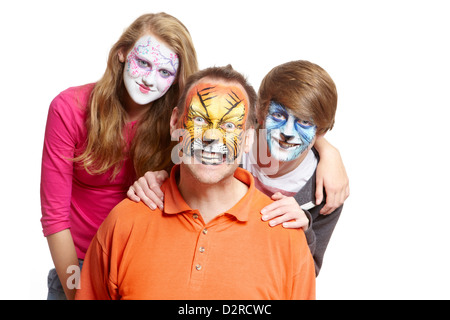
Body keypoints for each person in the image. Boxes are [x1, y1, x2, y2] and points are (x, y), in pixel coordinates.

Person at [76, 65, 316, 300]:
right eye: (199, 120)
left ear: (248, 139)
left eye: (229, 126)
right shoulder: (123, 223)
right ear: (174, 124)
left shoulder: (286, 237)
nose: (211, 136)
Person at [128, 60, 347, 275]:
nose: (288, 131)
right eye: (278, 115)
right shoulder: (229, 141)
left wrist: (303, 232)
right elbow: (189, 161)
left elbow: (307, 273)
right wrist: (157, 179)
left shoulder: (328, 189)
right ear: (260, 113)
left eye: (305, 123)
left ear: (321, 131)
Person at [40, 12, 198, 300]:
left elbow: (235, 143)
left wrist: (311, 143)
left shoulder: (179, 124)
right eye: (144, 63)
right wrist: (80, 293)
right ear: (123, 53)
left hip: (147, 269)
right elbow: (55, 219)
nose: (150, 80)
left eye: (164, 72)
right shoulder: (69, 109)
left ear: (176, 80)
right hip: (78, 267)